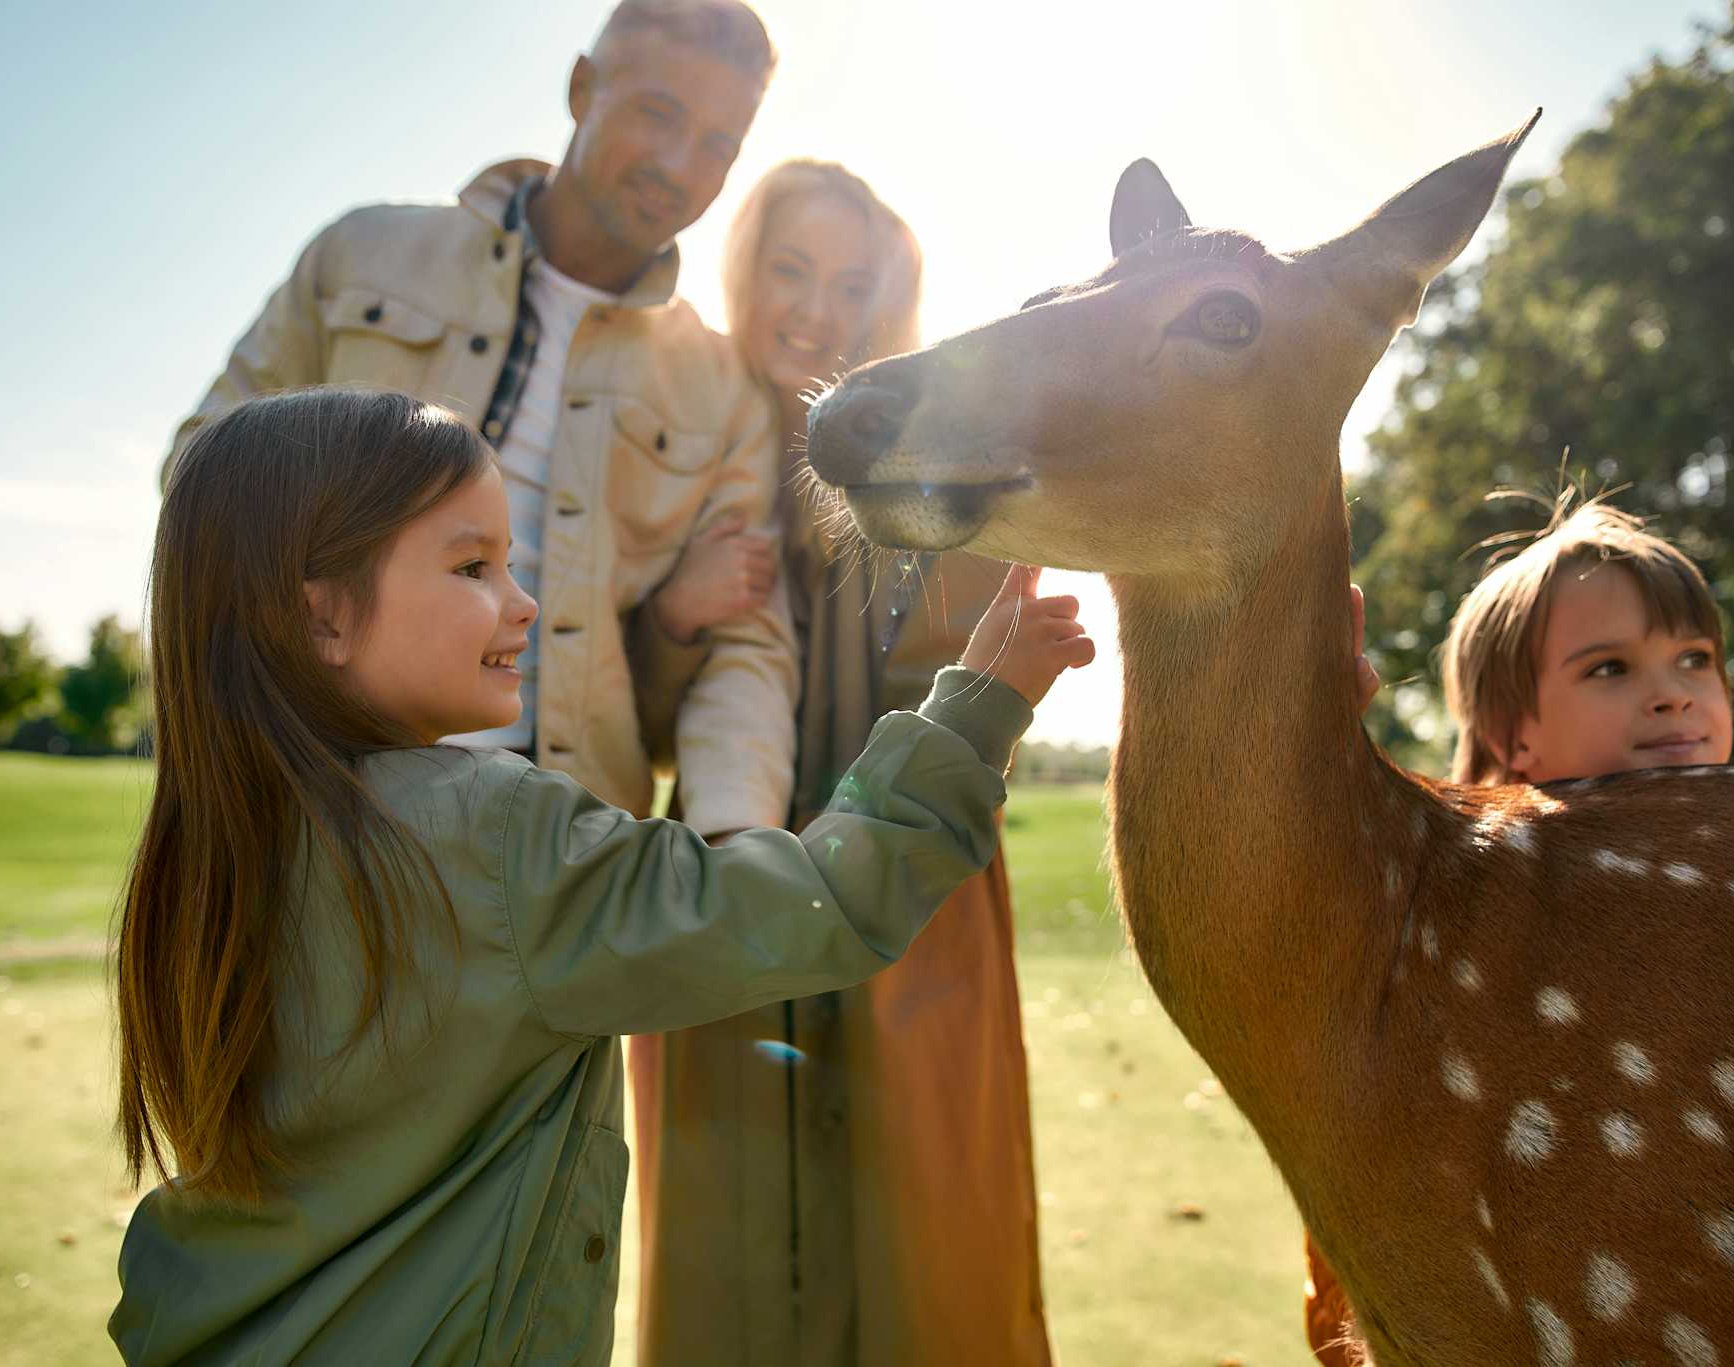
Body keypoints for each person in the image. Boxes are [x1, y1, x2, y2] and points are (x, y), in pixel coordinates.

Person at [109, 387, 1094, 1366]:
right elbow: (805, 904)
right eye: (471, 565)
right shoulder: (492, 839)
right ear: (321, 617)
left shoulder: (210, 855)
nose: (522, 599)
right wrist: (973, 709)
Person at [164, 0, 796, 841]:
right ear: (582, 87)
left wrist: (736, 846)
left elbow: (740, 654)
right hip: (305, 808)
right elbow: (202, 472)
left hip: (562, 849)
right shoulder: (361, 255)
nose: (681, 165)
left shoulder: (727, 393)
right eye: (658, 113)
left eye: (720, 144)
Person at [620, 159, 1056, 1366]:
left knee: (929, 1238)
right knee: (726, 1246)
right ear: (744, 271)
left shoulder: (933, 469)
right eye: (789, 270)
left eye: (850, 283)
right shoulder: (673, 446)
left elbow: (978, 682)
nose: (814, 308)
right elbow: (622, 713)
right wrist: (672, 617)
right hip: (721, 862)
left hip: (913, 888)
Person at [1303, 494, 1733, 1365]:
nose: (1673, 696)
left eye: (1694, 659)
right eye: (1610, 668)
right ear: (1510, 732)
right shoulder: (1459, 926)